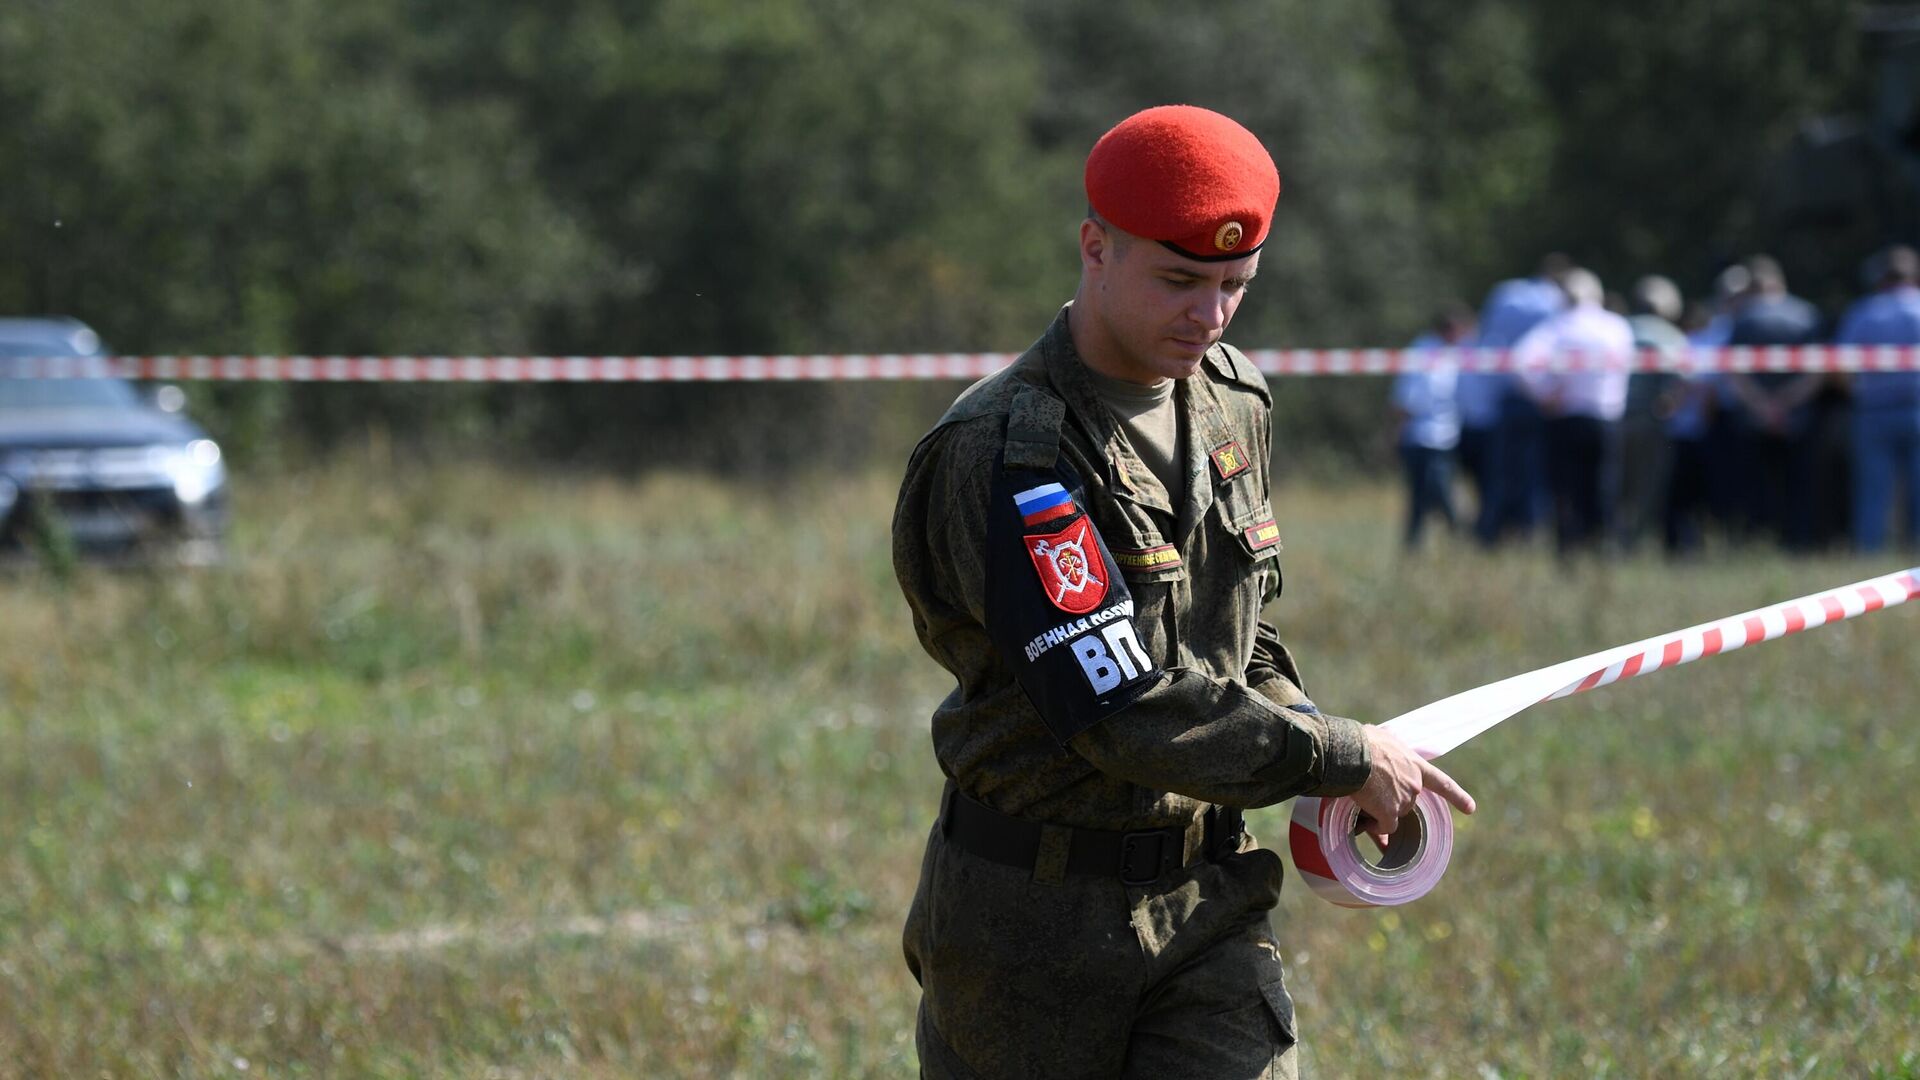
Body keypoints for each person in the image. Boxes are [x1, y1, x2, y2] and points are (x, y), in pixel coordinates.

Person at [891, 105, 1475, 1078]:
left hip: (1208, 897)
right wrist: (1335, 754)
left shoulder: (1233, 399)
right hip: (1029, 930)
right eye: (1178, 281)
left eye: (1232, 287)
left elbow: (1241, 639)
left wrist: (1329, 746)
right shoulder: (1012, 452)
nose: (1207, 316)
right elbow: (1119, 703)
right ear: (1095, 247)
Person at [1513, 268, 1635, 554]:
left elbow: (1522, 362)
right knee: (1604, 488)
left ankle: (1569, 550)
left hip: (1565, 419)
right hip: (1606, 419)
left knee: (1565, 491)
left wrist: (1544, 394)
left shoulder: (1557, 326)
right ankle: (1605, 549)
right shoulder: (1616, 326)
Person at [1721, 255, 1824, 549]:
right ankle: (1800, 546)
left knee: (1756, 492)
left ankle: (1759, 546)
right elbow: (1817, 372)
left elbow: (1735, 372)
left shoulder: (1743, 318)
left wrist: (1763, 407)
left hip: (1754, 419)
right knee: (1798, 489)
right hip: (1798, 418)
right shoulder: (1807, 315)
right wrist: (1786, 404)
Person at [1473, 254, 1570, 545]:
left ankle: (1491, 533)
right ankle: (1528, 534)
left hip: (1504, 397)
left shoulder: (1505, 293)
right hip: (1541, 399)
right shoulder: (1557, 301)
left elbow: (1484, 340)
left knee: (1502, 470)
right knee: (1535, 473)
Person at [1835, 243, 1920, 552]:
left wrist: (1858, 393)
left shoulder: (1864, 312)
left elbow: (1841, 365)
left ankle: (1869, 558)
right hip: (1915, 409)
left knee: (1873, 493)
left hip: (1873, 412)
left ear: (1882, 278)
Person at [1392, 304, 1472, 549]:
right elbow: (1409, 400)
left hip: (1443, 437)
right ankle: (1458, 538)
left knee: (1430, 494)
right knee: (1433, 495)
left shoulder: (1455, 353)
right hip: (1424, 438)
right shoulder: (1426, 353)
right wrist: (1395, 432)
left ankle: (1425, 543)